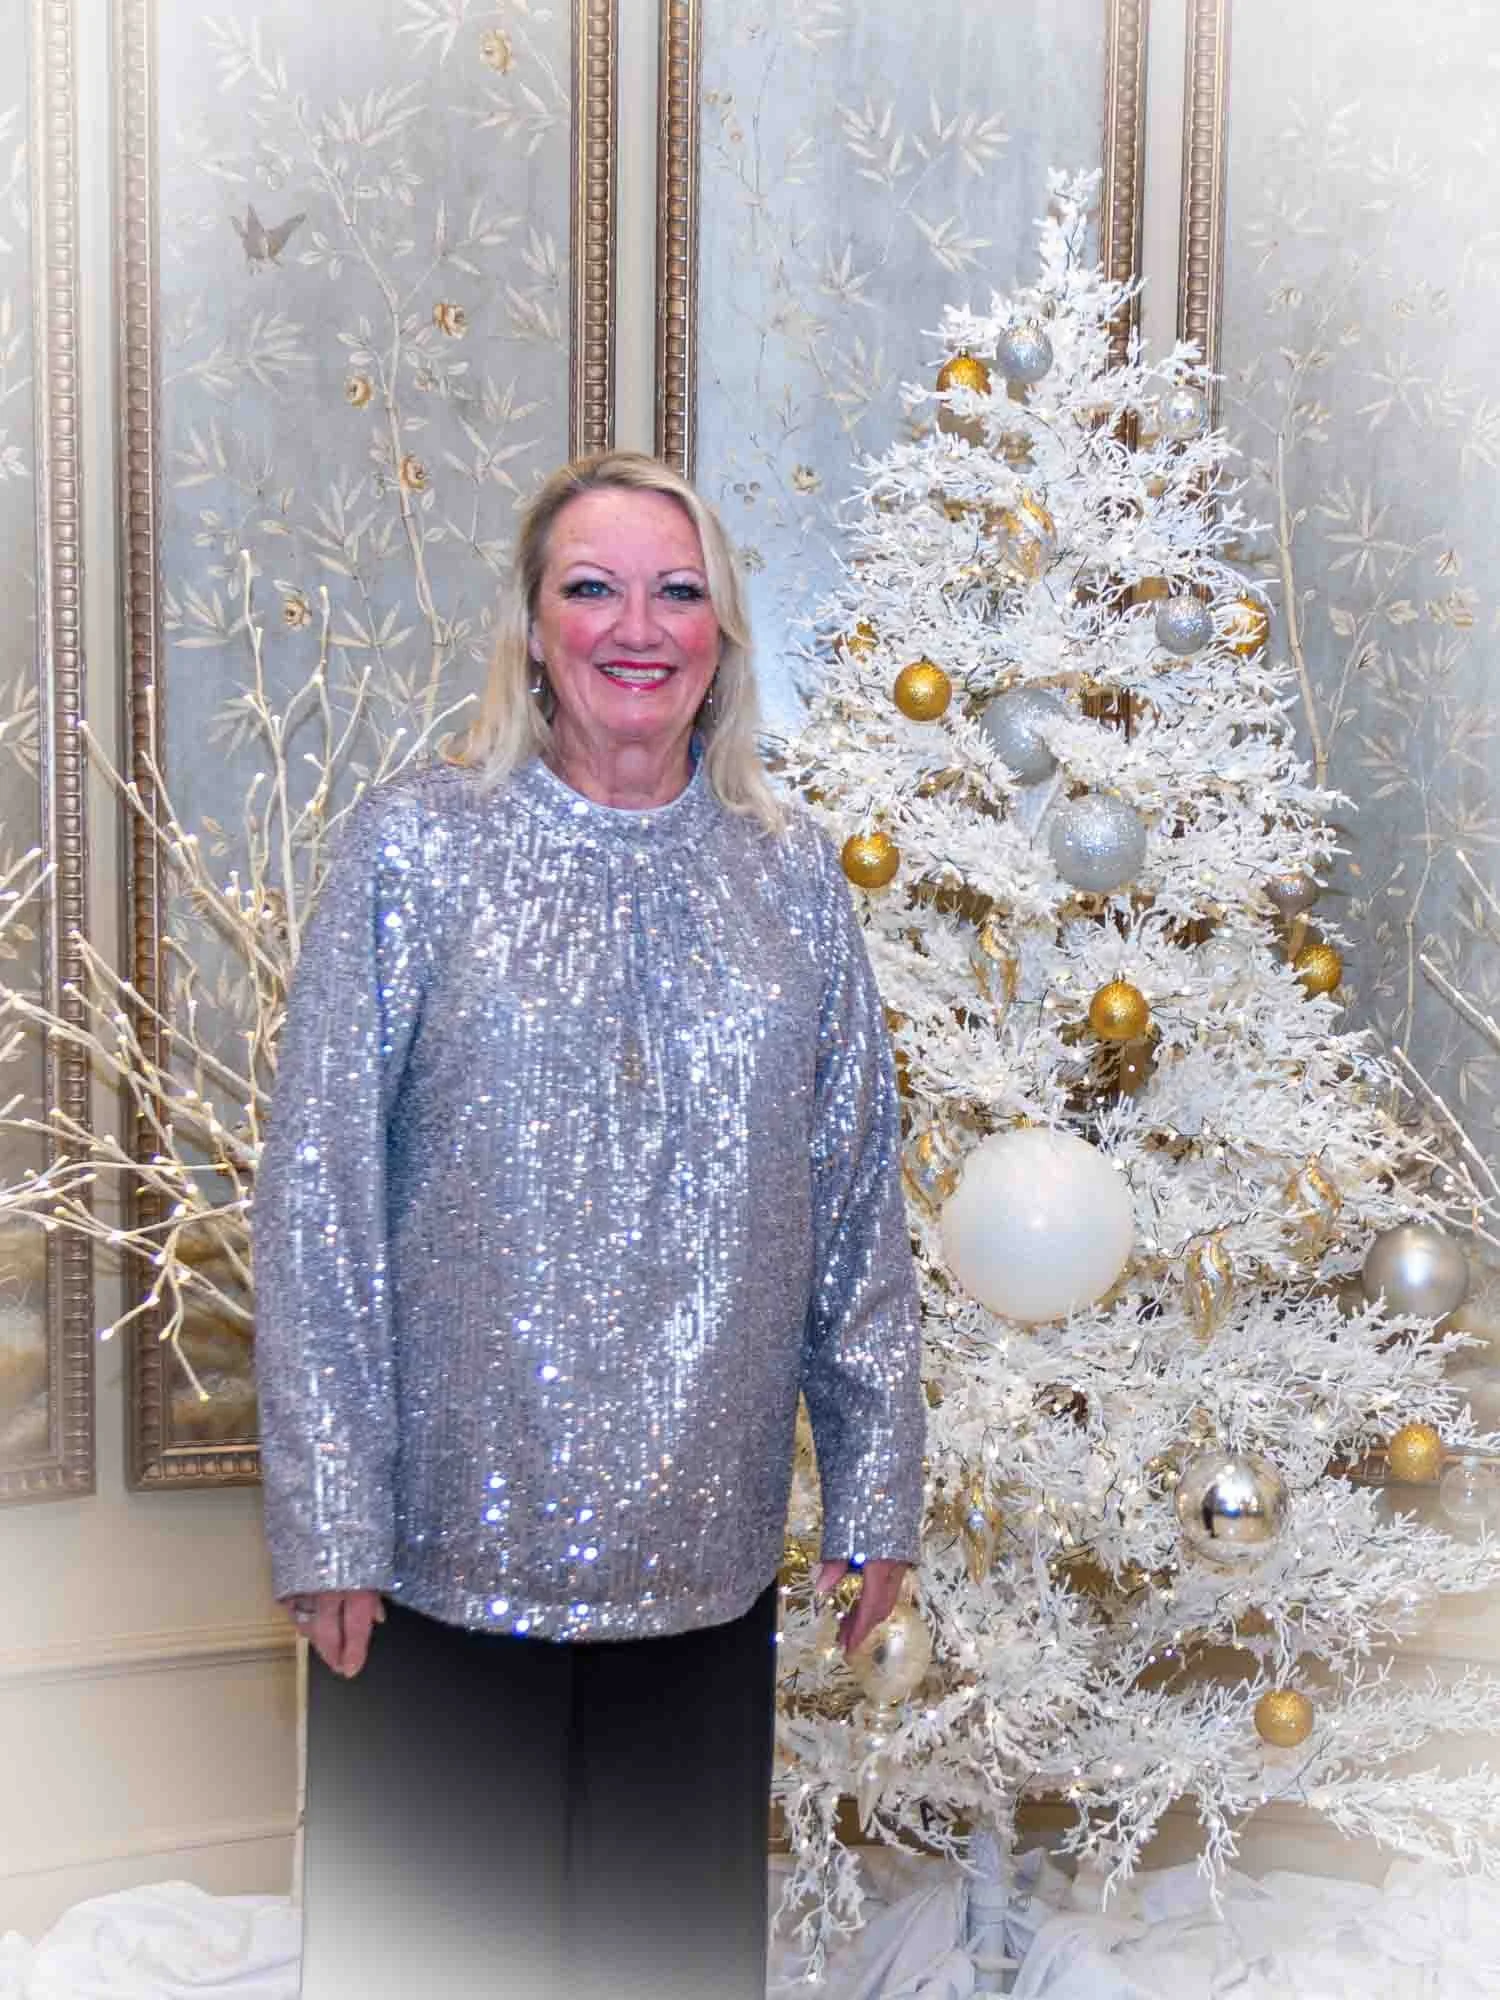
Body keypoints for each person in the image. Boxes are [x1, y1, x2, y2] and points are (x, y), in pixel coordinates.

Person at [252, 451, 926, 2000]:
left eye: (679, 590)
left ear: (725, 635)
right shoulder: (414, 850)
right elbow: (321, 1199)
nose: (641, 625)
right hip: (434, 1562)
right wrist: (329, 1512)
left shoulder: (791, 876)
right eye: (594, 587)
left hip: (704, 1559)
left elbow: (852, 1194)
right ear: (535, 630)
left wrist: (877, 1480)